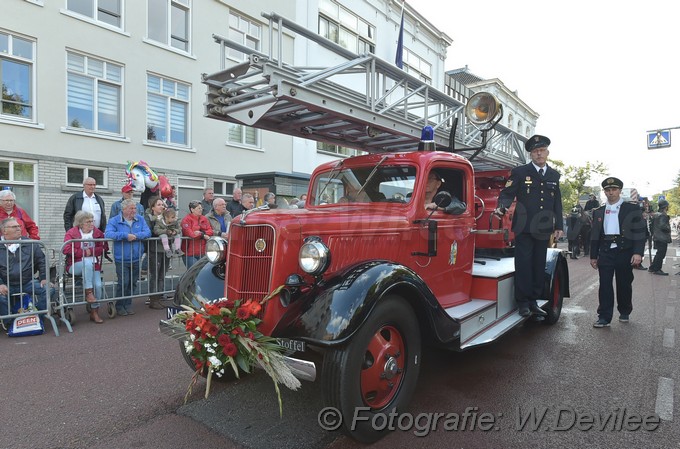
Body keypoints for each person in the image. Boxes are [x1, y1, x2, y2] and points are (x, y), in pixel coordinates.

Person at [494, 135, 563, 317]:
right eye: (535, 151)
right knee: (524, 264)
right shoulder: (520, 172)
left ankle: (534, 301)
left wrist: (559, 225)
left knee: (539, 265)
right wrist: (502, 208)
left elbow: (557, 202)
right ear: (531, 154)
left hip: (544, 228)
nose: (539, 154)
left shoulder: (554, 175)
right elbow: (507, 193)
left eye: (542, 150)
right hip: (523, 226)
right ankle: (523, 302)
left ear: (547, 152)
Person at [589, 177, 646, 327]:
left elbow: (640, 232)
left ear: (619, 191)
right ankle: (604, 316)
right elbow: (595, 235)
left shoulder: (632, 209)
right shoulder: (599, 211)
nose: (611, 193)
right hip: (606, 251)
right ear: (604, 192)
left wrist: (638, 253)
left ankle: (625, 310)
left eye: (614, 190)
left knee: (624, 283)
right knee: (605, 284)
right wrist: (593, 256)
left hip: (625, 251)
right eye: (607, 190)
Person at [105, 199, 151, 316]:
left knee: (133, 282)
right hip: (121, 258)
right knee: (123, 282)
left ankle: (128, 304)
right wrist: (125, 236)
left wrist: (135, 236)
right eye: (131, 208)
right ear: (123, 209)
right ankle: (120, 305)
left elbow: (147, 232)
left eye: (135, 208)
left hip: (136, 256)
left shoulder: (140, 219)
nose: (134, 211)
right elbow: (108, 234)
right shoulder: (114, 220)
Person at [0, 218, 48, 327]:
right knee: (0, 298)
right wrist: (0, 284)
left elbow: (42, 261)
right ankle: (9, 324)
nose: (18, 228)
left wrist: (44, 278)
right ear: (4, 231)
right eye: (14, 227)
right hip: (6, 284)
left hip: (27, 282)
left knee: (48, 290)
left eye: (19, 226)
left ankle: (36, 318)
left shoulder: (30, 243)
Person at [63, 211, 106, 323]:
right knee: (86, 263)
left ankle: (94, 311)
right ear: (80, 223)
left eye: (92, 221)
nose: (91, 223)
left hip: (93, 264)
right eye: (88, 222)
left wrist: (90, 251)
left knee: (98, 285)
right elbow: (66, 249)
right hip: (75, 264)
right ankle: (88, 293)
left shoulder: (98, 233)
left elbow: (103, 247)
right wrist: (82, 253)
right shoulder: (71, 233)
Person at [144, 196, 170, 309]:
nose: (162, 206)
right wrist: (164, 231)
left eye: (162, 204)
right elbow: (150, 231)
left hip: (166, 249)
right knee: (155, 274)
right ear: (153, 207)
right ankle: (153, 299)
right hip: (154, 249)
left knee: (162, 274)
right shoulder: (149, 217)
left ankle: (159, 297)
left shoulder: (166, 216)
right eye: (159, 204)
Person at [181, 201, 213, 270]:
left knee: (202, 273)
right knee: (193, 273)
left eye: (201, 208)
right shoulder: (186, 220)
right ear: (192, 209)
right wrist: (203, 235)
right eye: (198, 208)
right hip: (189, 253)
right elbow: (191, 234)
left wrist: (201, 233)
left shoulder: (204, 218)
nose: (201, 210)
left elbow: (210, 231)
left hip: (202, 252)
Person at [649, 199, 672, 275]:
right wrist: (668, 228)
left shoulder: (656, 214)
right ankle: (657, 269)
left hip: (657, 236)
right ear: (665, 207)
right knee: (661, 254)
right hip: (662, 237)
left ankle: (652, 267)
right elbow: (663, 226)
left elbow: (651, 226)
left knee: (658, 253)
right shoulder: (663, 215)